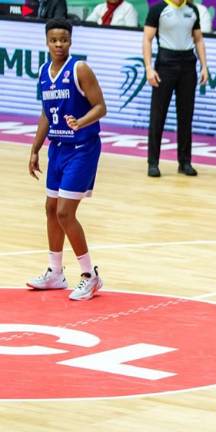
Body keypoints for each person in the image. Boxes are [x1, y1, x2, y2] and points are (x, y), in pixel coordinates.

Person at [26, 18, 108, 301]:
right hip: (57, 148)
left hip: (82, 148)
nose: (59, 44)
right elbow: (47, 114)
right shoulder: (43, 73)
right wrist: (35, 148)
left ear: (70, 41)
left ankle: (90, 275)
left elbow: (101, 107)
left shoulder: (80, 69)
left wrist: (81, 122)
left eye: (63, 39)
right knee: (50, 209)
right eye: (54, 40)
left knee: (64, 213)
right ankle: (55, 272)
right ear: (47, 42)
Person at [143, 0, 209, 177]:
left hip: (188, 64)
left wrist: (204, 66)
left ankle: (185, 162)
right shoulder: (158, 9)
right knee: (158, 115)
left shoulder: (192, 9)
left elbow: (199, 39)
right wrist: (149, 68)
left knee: (186, 116)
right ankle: (153, 163)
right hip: (165, 62)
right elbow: (147, 39)